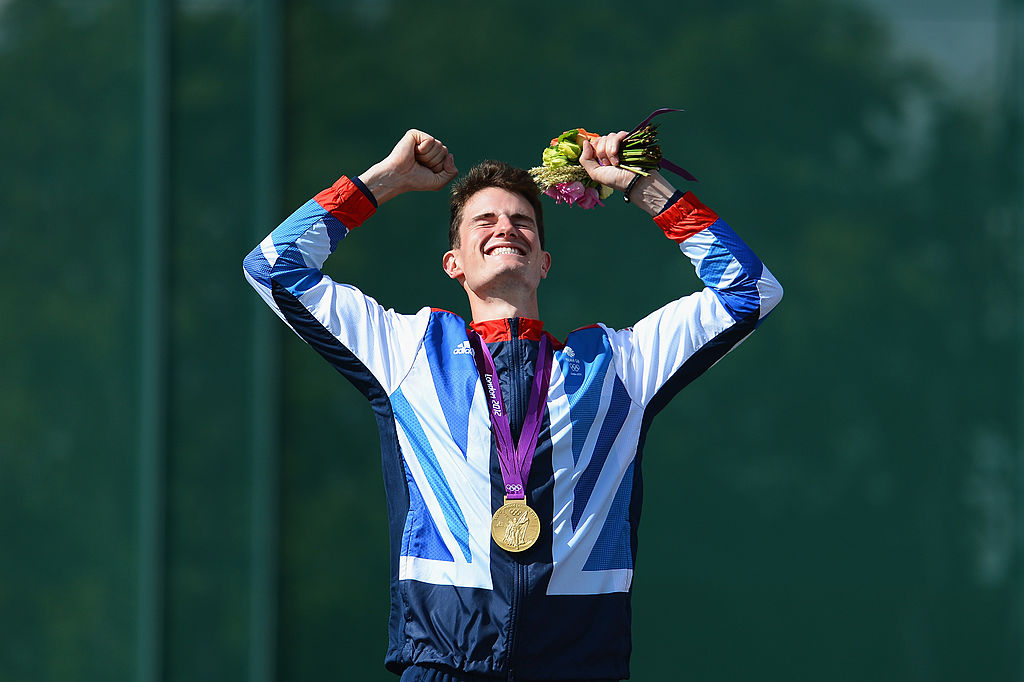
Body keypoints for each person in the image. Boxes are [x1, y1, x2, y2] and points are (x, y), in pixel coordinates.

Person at [243, 128, 782, 681]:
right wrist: (384, 180)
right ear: (453, 263)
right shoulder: (409, 352)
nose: (505, 228)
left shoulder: (618, 366)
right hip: (444, 665)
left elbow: (749, 290)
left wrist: (642, 186)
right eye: (485, 221)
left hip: (577, 669)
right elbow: (274, 266)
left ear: (544, 262)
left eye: (522, 221)